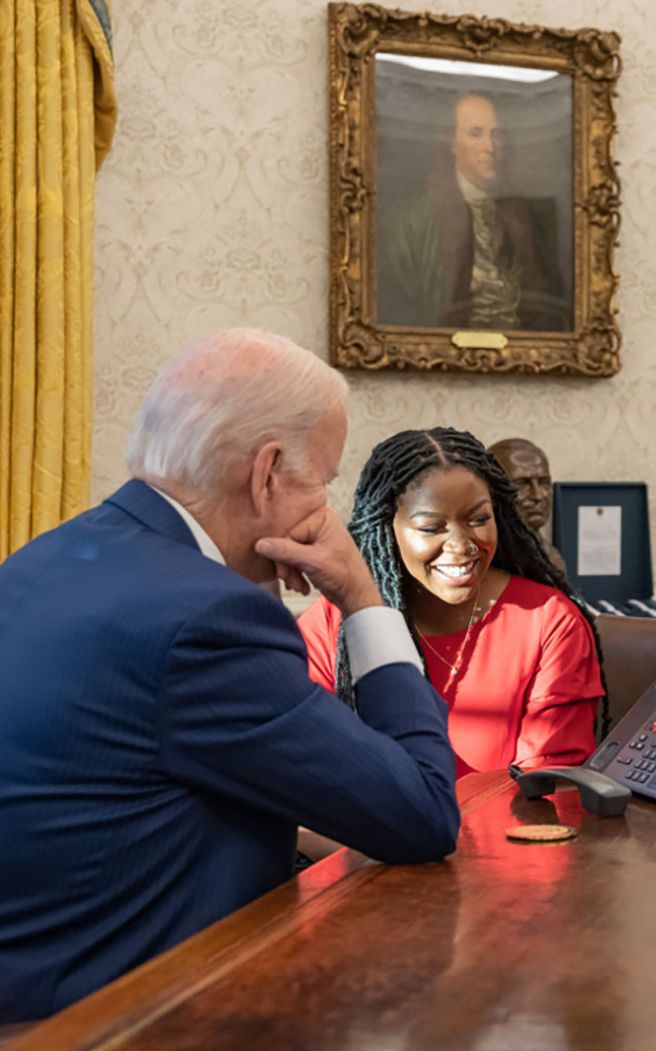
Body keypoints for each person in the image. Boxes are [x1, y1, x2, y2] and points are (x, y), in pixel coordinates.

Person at [0, 330, 459, 1023]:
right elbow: (421, 814)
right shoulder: (204, 618)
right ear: (267, 471)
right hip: (121, 1018)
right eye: (323, 479)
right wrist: (365, 598)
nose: (326, 509)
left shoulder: (48, 559)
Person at [296, 428, 605, 775]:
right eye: (431, 527)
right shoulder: (333, 626)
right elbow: (310, 768)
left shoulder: (548, 621)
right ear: (386, 528)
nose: (461, 545)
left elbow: (547, 784)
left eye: (479, 520)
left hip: (505, 829)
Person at [379, 92, 571, 332]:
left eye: (496, 135)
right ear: (451, 144)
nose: (490, 147)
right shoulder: (410, 219)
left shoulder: (526, 216)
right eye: (475, 134)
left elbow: (552, 310)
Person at [487, 435, 566, 574]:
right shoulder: (484, 559)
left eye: (543, 483)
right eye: (522, 484)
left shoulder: (551, 556)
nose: (537, 495)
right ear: (492, 490)